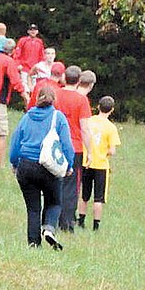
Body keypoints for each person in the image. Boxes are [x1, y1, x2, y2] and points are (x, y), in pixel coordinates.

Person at [9, 86, 74, 249]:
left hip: (26, 166)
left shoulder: (27, 116)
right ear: (54, 100)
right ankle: (49, 229)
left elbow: (15, 141)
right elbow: (67, 145)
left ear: (37, 98)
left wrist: (14, 163)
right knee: (54, 202)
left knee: (33, 208)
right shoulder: (58, 117)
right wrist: (69, 165)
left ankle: (33, 244)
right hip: (49, 167)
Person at [53, 66, 92, 232]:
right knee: (71, 187)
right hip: (74, 147)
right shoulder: (81, 100)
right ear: (78, 81)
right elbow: (84, 127)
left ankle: (50, 219)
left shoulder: (55, 94)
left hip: (55, 145)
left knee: (54, 182)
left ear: (64, 78)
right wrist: (90, 151)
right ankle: (67, 223)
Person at [0, 38, 30, 167]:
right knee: (1, 133)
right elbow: (15, 81)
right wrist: (25, 96)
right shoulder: (9, 61)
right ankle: (1, 165)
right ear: (13, 51)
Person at [77, 96, 121, 230]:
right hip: (101, 165)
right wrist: (104, 152)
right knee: (98, 198)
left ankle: (81, 221)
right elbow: (112, 151)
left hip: (86, 162)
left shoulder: (89, 121)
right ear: (111, 110)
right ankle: (96, 225)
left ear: (98, 107)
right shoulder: (111, 128)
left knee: (84, 195)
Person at [13, 23, 45, 92]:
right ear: (28, 31)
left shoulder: (39, 42)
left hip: (35, 70)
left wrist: (41, 67)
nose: (33, 31)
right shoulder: (23, 40)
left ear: (37, 31)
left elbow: (42, 56)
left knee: (35, 89)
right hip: (25, 68)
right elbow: (17, 54)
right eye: (31, 30)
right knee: (25, 89)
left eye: (34, 30)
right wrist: (18, 64)